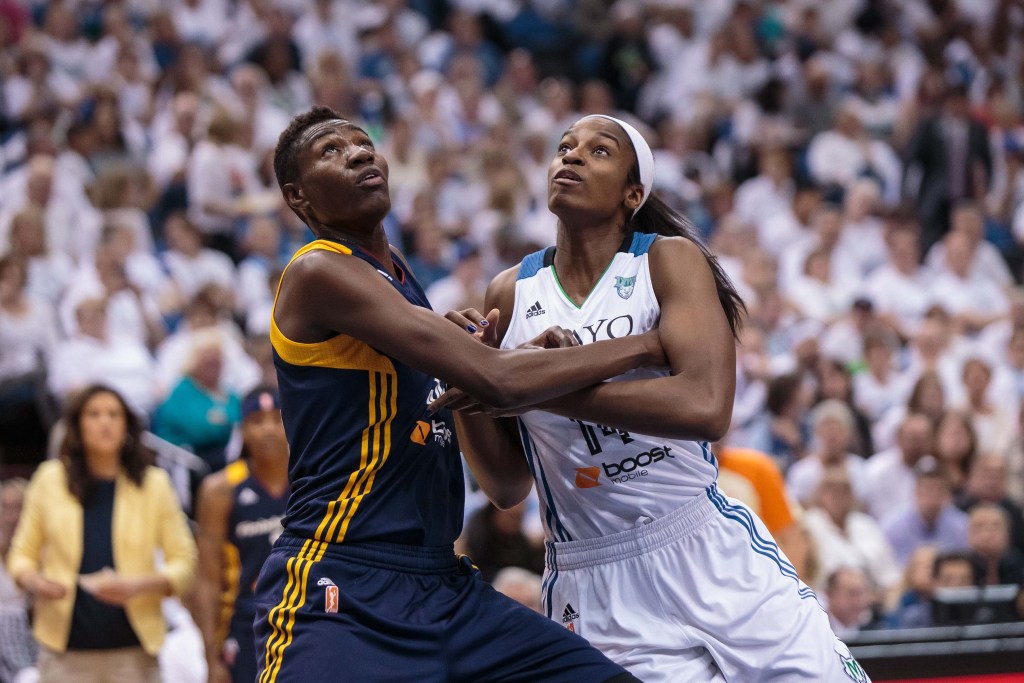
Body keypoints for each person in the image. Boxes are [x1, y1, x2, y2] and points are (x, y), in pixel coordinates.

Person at [435, 115, 868, 681]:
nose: (571, 157)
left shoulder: (666, 260)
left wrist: (537, 383)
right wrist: (465, 374)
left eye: (598, 151)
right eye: (565, 148)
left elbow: (706, 409)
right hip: (596, 576)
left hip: (702, 541)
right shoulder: (510, 292)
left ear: (632, 193)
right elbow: (507, 486)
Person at [256, 106, 661, 683]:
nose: (360, 153)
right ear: (299, 199)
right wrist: (647, 346)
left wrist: (522, 359)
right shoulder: (319, 272)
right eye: (332, 152)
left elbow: (507, 482)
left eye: (364, 143)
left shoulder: (401, 283)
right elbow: (496, 379)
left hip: (442, 586)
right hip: (338, 583)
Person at [6, 384, 197, 682]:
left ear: (127, 426)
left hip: (135, 650)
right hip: (64, 652)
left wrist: (141, 585)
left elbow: (184, 561)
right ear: (78, 425)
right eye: (94, 414)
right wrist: (34, 581)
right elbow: (21, 554)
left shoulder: (153, 483)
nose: (105, 422)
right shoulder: (49, 479)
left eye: (114, 414)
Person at [194, 388, 289, 683]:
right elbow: (207, 579)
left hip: (307, 616)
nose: (269, 429)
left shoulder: (314, 476)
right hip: (247, 624)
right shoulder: (219, 489)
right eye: (258, 421)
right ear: (243, 430)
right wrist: (211, 658)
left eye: (278, 419)